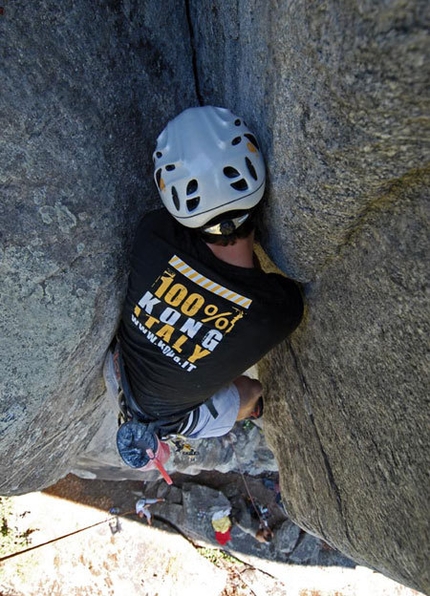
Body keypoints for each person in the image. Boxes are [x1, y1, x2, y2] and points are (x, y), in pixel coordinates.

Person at [104, 106, 303, 472]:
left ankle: (249, 409)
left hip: (125, 374)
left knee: (243, 392)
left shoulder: (153, 234)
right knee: (248, 394)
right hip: (122, 378)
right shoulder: (279, 311)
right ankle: (250, 409)